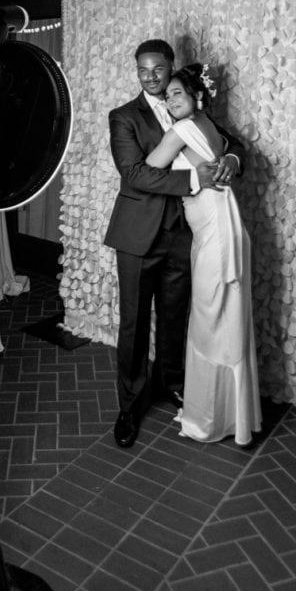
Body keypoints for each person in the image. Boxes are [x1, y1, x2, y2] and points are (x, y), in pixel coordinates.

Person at [104, 40, 246, 449]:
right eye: (143, 70)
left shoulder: (191, 106)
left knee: (175, 314)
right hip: (137, 235)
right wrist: (194, 180)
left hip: (185, 234)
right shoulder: (123, 117)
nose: (150, 76)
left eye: (158, 69)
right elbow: (134, 174)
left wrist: (231, 162)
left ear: (170, 68)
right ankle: (129, 405)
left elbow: (231, 144)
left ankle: (171, 384)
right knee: (133, 323)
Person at [146, 63, 261, 447]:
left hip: (216, 235)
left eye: (177, 92)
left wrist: (201, 162)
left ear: (197, 97)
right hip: (223, 230)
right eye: (168, 95)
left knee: (212, 318)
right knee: (222, 314)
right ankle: (234, 415)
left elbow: (149, 168)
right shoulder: (206, 126)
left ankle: (210, 416)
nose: (169, 99)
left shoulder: (181, 130)